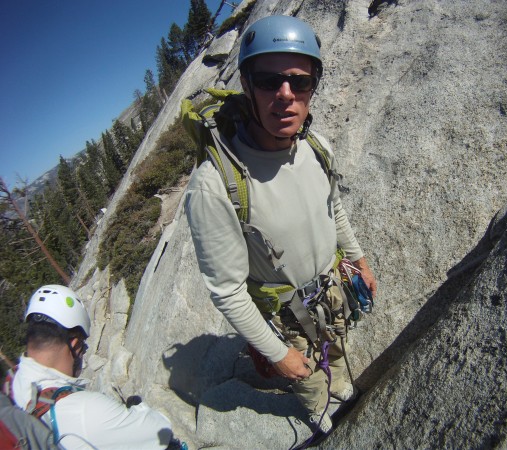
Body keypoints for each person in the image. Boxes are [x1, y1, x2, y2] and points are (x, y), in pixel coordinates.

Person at [184, 15, 377, 433]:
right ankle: (321, 410)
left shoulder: (317, 147)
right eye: (269, 81)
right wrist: (275, 353)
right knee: (306, 376)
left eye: (300, 82)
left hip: (333, 289)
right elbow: (228, 290)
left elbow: (334, 209)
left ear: (313, 87)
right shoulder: (215, 184)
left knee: (337, 347)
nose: (285, 95)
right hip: (287, 317)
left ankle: (340, 386)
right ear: (247, 85)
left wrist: (359, 262)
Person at [7, 284, 176, 449]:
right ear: (74, 345)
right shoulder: (85, 411)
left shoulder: (14, 383)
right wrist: (138, 408)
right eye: (83, 347)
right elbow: (160, 430)